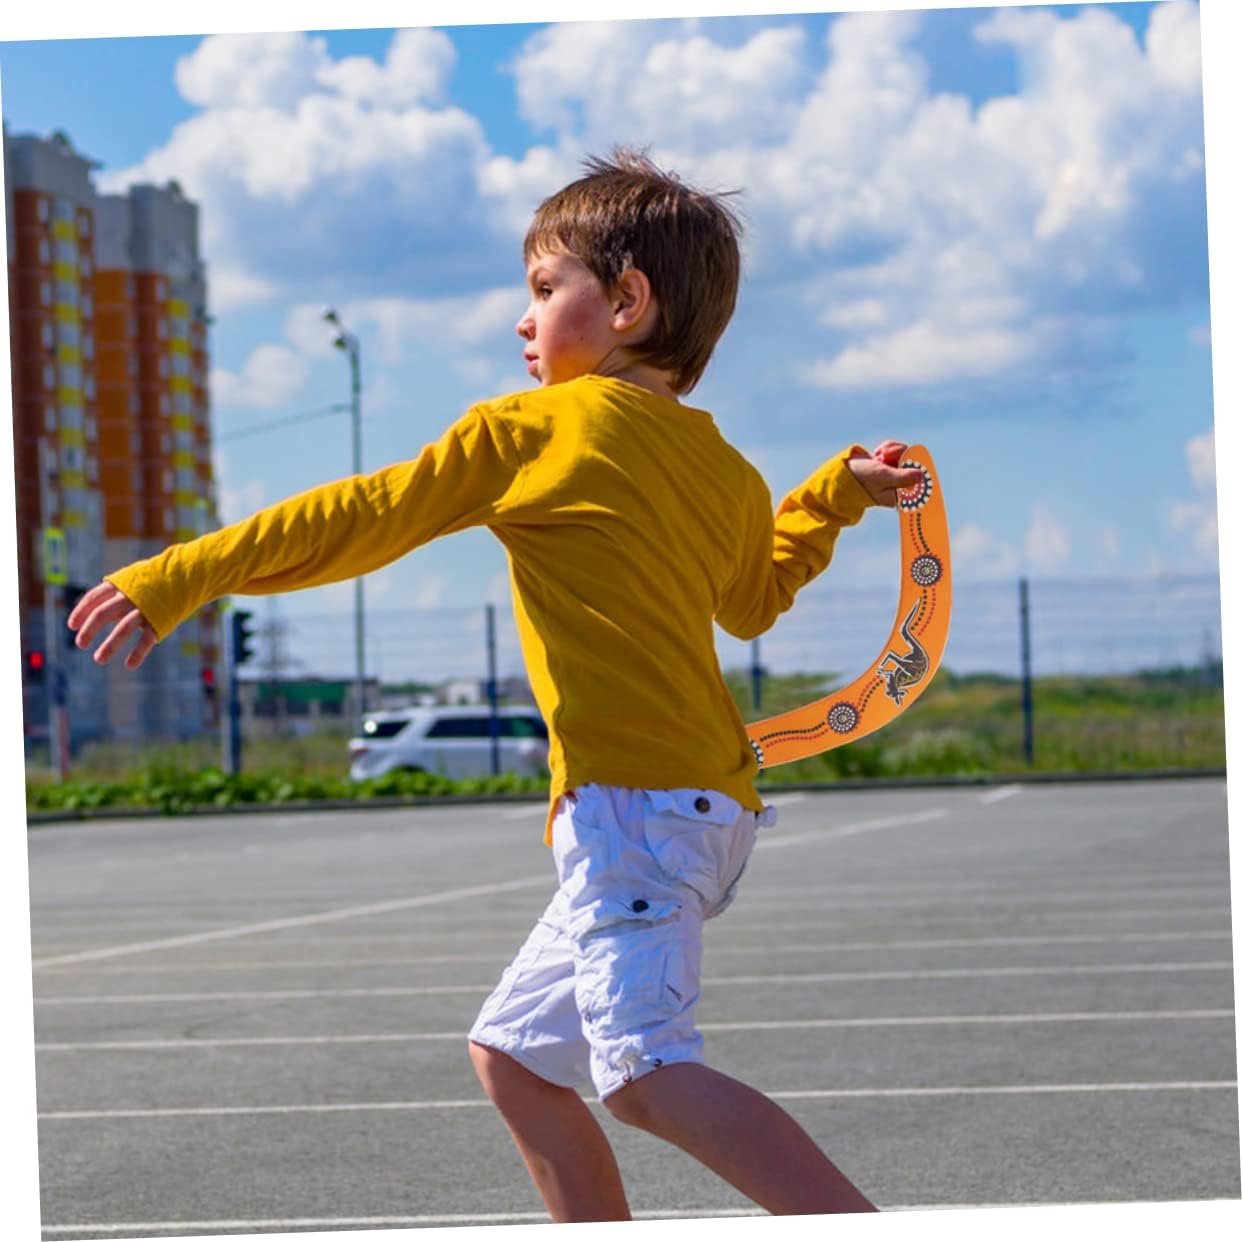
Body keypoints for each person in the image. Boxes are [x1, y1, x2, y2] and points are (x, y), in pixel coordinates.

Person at [69, 149, 922, 1221]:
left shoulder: (532, 431)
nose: (524, 319)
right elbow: (756, 601)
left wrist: (180, 574)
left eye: (545, 288)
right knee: (514, 1056)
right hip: (701, 809)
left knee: (644, 1073)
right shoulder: (730, 473)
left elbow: (362, 516)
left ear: (626, 302)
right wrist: (833, 496)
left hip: (635, 811)